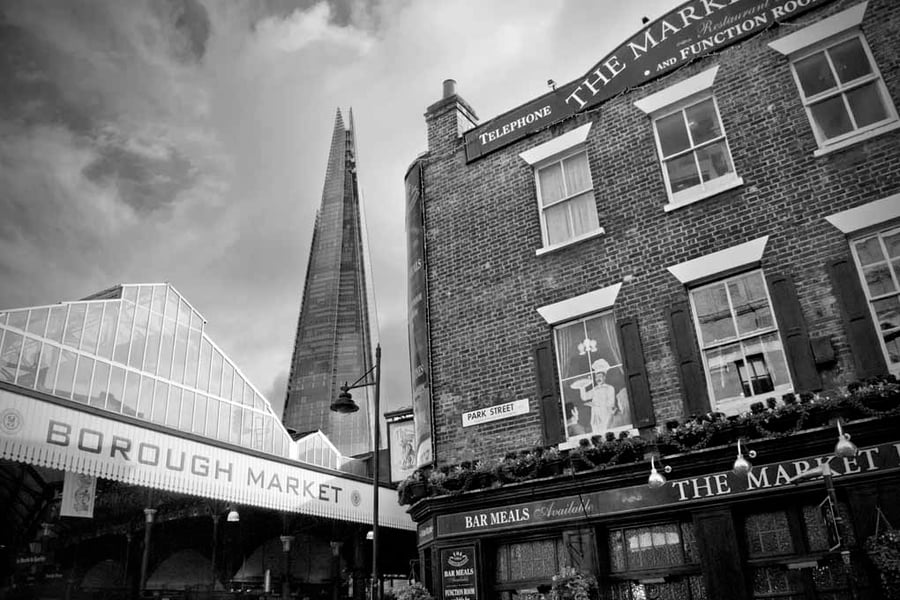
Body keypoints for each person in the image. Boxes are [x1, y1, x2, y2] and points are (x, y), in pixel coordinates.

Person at [578, 358, 619, 433]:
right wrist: (582, 387)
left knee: (606, 432)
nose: (598, 379)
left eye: (600, 376)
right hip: (595, 417)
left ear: (604, 377)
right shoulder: (595, 389)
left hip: (606, 415)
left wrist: (595, 405)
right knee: (596, 433)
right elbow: (584, 397)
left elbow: (611, 404)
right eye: (596, 377)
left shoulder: (610, 388)